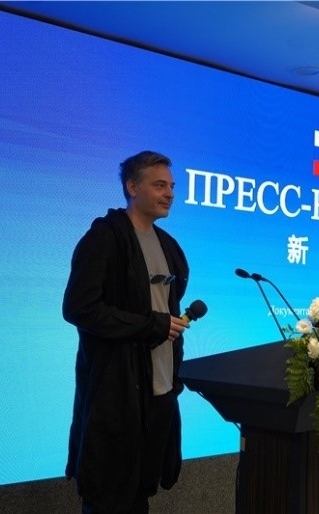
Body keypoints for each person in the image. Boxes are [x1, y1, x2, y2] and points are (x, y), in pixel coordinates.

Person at [62, 150, 190, 514]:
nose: (169, 194)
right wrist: (152, 325)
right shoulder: (104, 238)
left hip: (161, 389)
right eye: (159, 185)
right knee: (108, 496)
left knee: (140, 495)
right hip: (117, 392)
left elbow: (169, 309)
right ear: (133, 187)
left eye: (172, 186)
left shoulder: (169, 246)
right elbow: (79, 308)